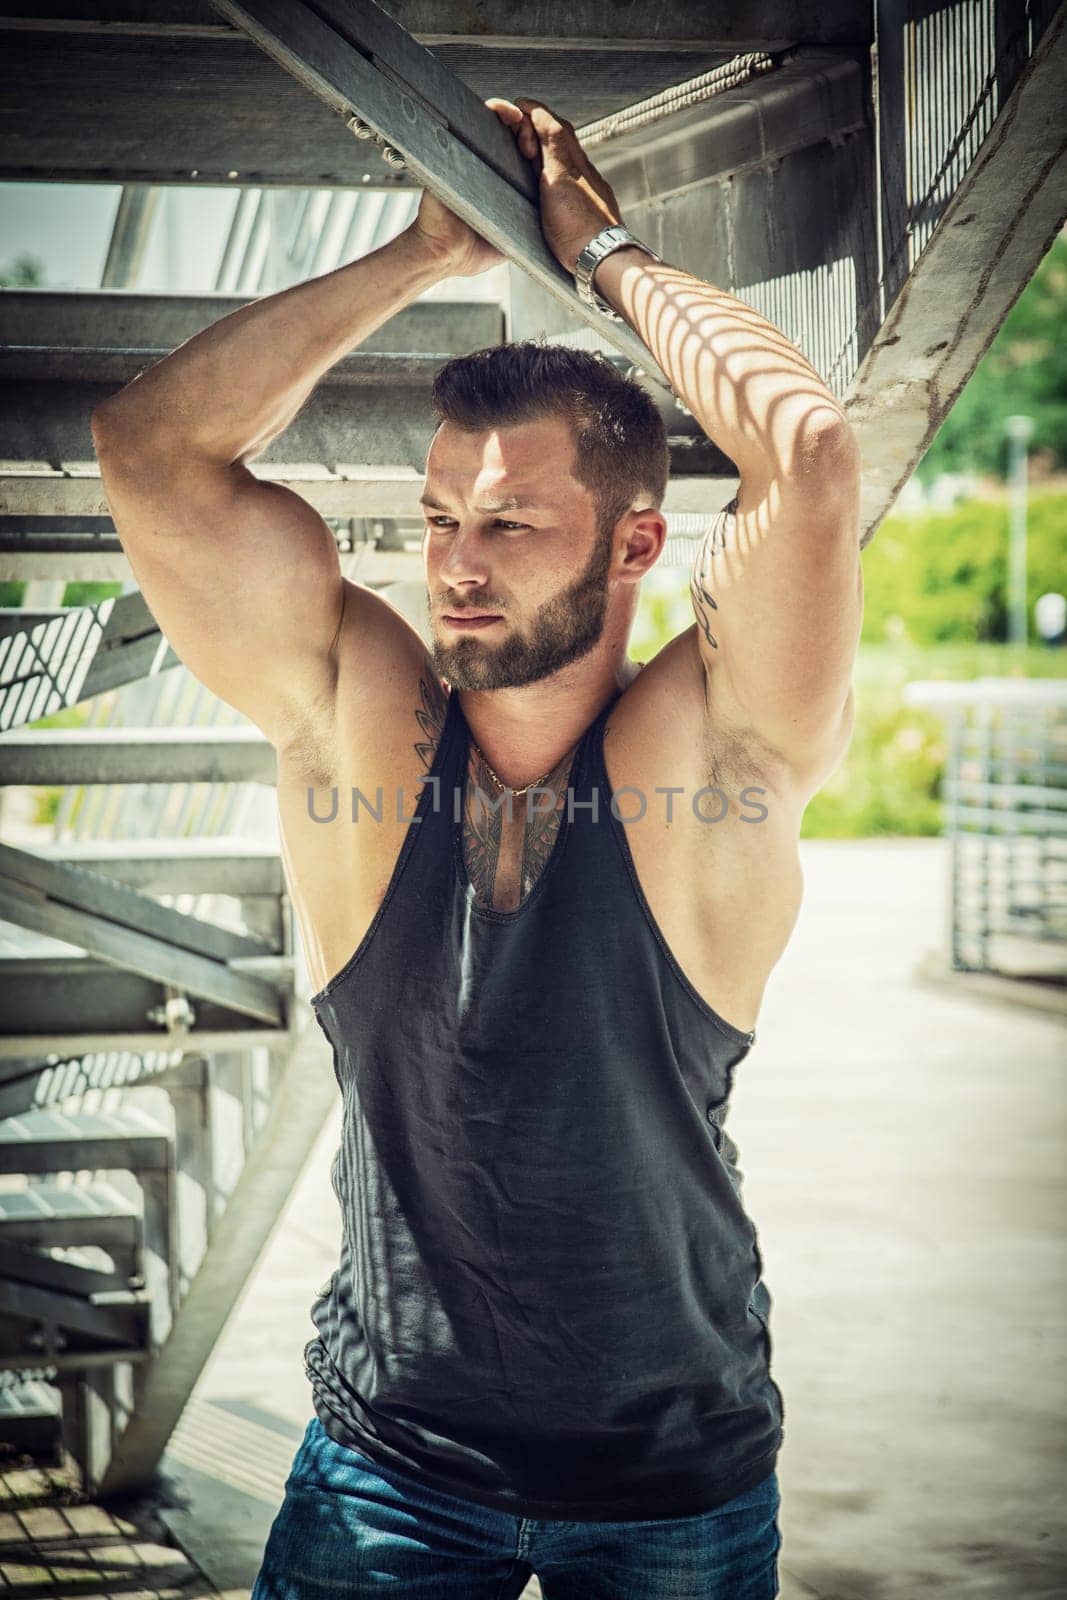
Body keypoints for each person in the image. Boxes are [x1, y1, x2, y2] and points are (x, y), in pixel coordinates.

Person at [92, 95, 862, 1600]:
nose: (454, 563)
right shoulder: (362, 725)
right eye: (440, 517)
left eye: (509, 524)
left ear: (637, 546)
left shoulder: (709, 756)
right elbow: (150, 452)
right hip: (391, 1467)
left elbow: (813, 455)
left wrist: (605, 252)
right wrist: (418, 253)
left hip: (674, 1487)